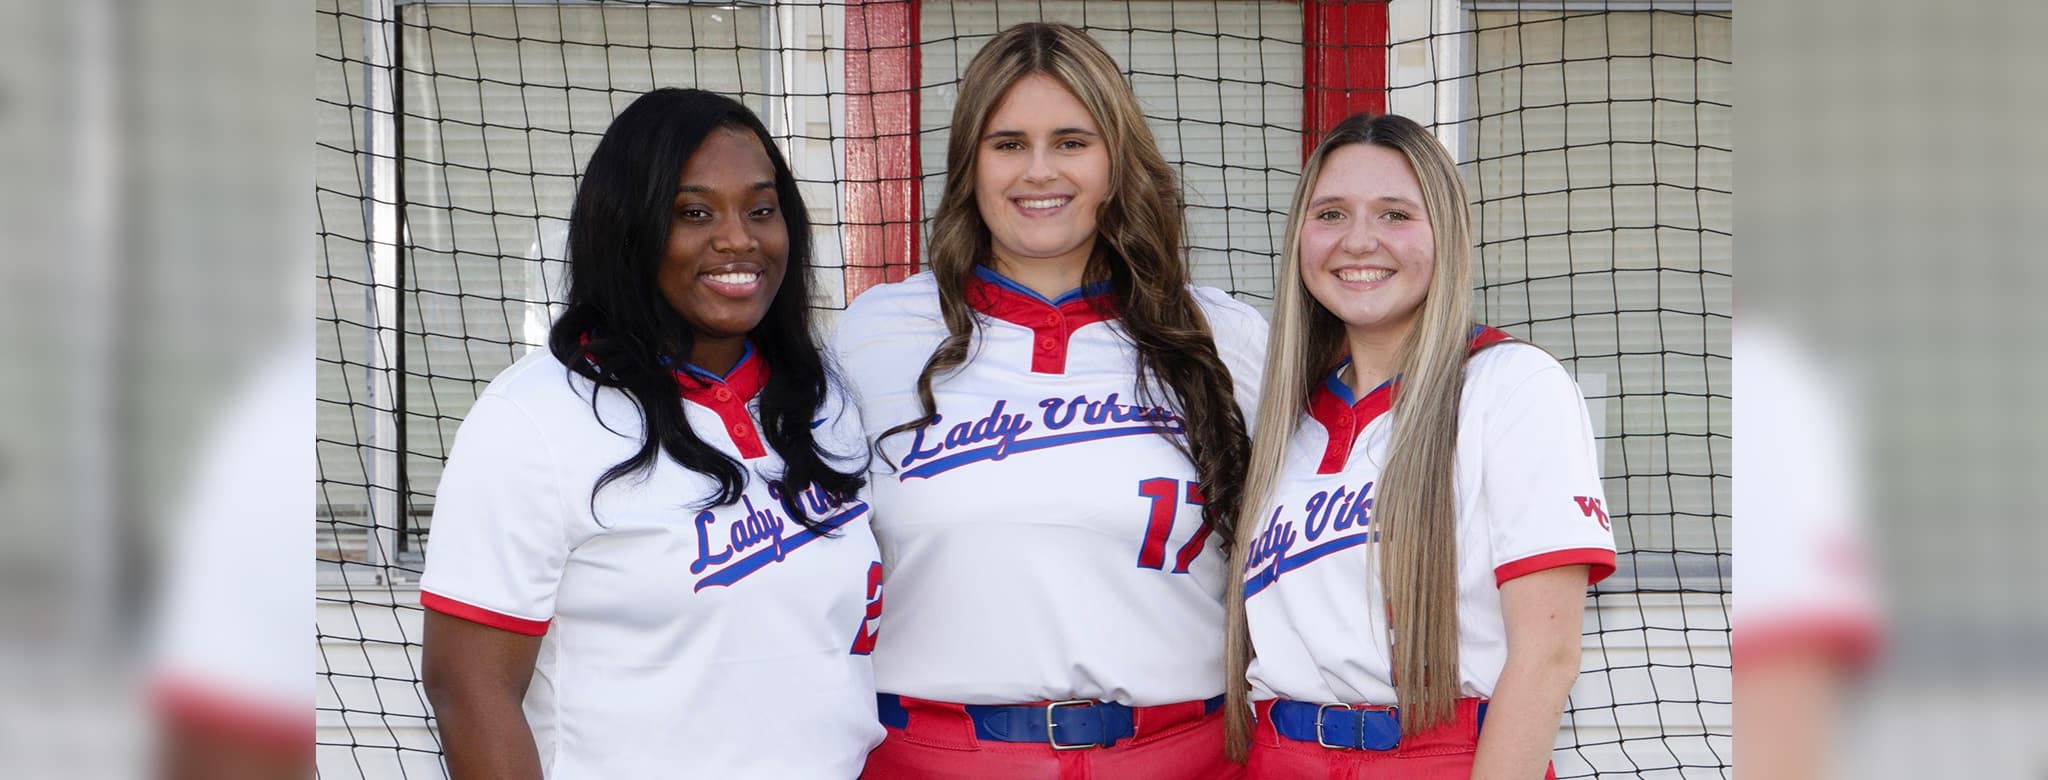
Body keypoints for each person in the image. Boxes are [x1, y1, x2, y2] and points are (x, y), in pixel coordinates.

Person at [833, 22, 1266, 780]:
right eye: (1007, 144)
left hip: (1182, 757)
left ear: (1115, 159)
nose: (1039, 171)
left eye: (1071, 141)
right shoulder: (877, 333)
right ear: (970, 162)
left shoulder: (1223, 335)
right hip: (930, 757)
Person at [417, 88, 884, 779]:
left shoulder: (825, 402)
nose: (738, 239)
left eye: (761, 210)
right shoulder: (533, 419)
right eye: (693, 213)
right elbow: (469, 690)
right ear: (627, 228)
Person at [1222, 112, 1617, 779]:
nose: (1359, 242)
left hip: (1442, 758)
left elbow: (1547, 656)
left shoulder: (1512, 385)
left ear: (1446, 233)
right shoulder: (1286, 417)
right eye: (1331, 214)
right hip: (1279, 758)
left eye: (1395, 215)